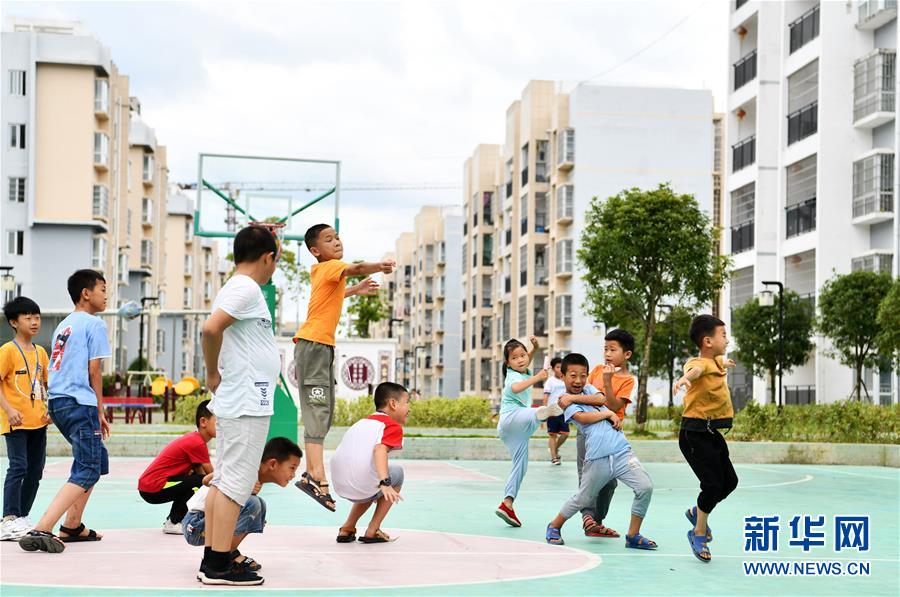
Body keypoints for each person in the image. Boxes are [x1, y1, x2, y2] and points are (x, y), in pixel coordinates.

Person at [198, 225, 281, 585]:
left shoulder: (237, 287)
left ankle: (213, 558)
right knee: (236, 483)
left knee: (224, 481)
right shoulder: (246, 287)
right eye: (275, 260)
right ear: (268, 257)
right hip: (246, 399)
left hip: (243, 397)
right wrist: (211, 372)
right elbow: (210, 329)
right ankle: (219, 565)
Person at [293, 223, 395, 512]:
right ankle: (315, 476)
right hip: (314, 346)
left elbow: (332, 296)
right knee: (318, 411)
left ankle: (312, 474)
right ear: (315, 250)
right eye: (329, 239)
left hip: (319, 346)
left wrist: (355, 290)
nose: (337, 242)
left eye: (337, 237)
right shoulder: (331, 266)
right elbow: (357, 268)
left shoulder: (326, 273)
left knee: (323, 412)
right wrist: (379, 266)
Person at [18, 270, 111, 553]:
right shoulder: (95, 324)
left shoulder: (64, 325)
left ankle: (72, 525)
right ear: (86, 293)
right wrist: (100, 410)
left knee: (97, 458)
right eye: (103, 289)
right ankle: (42, 527)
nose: (106, 295)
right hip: (79, 402)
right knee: (88, 466)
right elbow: (94, 370)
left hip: (59, 402)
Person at [545, 353, 656, 550]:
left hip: (622, 452)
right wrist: (607, 413)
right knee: (584, 498)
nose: (578, 380)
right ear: (562, 376)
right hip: (597, 458)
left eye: (583, 375)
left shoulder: (586, 390)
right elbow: (582, 418)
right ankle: (554, 526)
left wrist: (580, 398)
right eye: (573, 375)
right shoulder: (564, 400)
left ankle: (633, 535)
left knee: (645, 487)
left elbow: (601, 398)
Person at [186, 437, 302, 584]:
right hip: (195, 524)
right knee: (252, 504)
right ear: (273, 464)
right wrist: (242, 488)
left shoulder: (255, 475)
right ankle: (223, 558)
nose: (293, 475)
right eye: (292, 468)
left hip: (204, 524)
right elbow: (205, 480)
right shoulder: (247, 469)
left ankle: (226, 554)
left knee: (258, 506)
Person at [673, 314, 738, 563]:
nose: (727, 339)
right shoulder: (697, 363)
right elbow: (696, 370)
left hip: (711, 433)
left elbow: (716, 363)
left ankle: (696, 512)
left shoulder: (716, 361)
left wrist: (725, 362)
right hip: (694, 435)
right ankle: (698, 532)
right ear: (707, 341)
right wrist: (684, 379)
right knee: (712, 485)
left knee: (729, 482)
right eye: (723, 335)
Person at [563, 328, 637, 538]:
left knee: (610, 481)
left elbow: (611, 405)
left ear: (627, 354)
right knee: (587, 475)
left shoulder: (628, 380)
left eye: (613, 350)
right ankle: (588, 517)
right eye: (605, 349)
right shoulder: (595, 370)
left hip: (612, 434)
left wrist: (607, 382)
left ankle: (596, 521)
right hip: (588, 431)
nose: (607, 354)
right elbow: (584, 393)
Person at [494, 337, 562, 527]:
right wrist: (538, 378)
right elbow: (516, 388)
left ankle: (507, 503)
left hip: (513, 431)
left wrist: (536, 348)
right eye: (515, 358)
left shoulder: (522, 369)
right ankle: (541, 413)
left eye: (523, 355)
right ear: (508, 363)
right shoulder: (513, 376)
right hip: (512, 417)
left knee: (520, 466)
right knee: (533, 414)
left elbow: (525, 360)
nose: (521, 360)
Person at [331, 382, 409, 544]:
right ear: (393, 404)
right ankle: (373, 530)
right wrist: (385, 483)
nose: (409, 408)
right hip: (361, 484)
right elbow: (380, 449)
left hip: (340, 484)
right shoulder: (391, 425)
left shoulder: (361, 422)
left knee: (371, 473)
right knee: (397, 473)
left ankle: (347, 527)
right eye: (407, 402)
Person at [1, 297, 50, 541]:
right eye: (28, 317)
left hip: (38, 421)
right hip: (16, 422)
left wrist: (50, 409)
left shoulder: (41, 352)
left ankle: (21, 517)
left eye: (37, 317)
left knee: (35, 471)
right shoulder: (7, 351)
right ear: (14, 322)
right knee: (18, 467)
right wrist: (9, 409)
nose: (34, 322)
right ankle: (8, 518)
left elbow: (45, 385)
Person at [138, 399, 216, 533]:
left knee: (198, 480)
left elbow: (200, 472)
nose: (223, 426)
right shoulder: (197, 443)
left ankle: (174, 519)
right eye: (218, 421)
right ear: (203, 422)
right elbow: (212, 477)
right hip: (152, 487)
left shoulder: (195, 439)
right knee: (201, 481)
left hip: (151, 486)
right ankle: (175, 521)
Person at [542, 357, 568, 465]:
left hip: (564, 411)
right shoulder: (550, 381)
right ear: (553, 369)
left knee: (565, 434)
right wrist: (544, 411)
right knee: (553, 435)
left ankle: (554, 449)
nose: (560, 369)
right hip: (552, 411)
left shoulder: (566, 380)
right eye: (557, 367)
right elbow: (545, 397)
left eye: (561, 367)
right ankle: (554, 457)